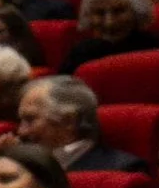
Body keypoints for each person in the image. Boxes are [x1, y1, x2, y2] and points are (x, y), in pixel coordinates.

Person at [13, 74, 148, 173]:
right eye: (21, 121)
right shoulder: (24, 169)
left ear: (69, 121)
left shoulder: (122, 169)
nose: (21, 131)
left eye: (30, 120)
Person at [63, 0, 159, 74]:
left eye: (118, 11)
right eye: (100, 13)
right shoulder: (79, 55)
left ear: (136, 12)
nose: (109, 22)